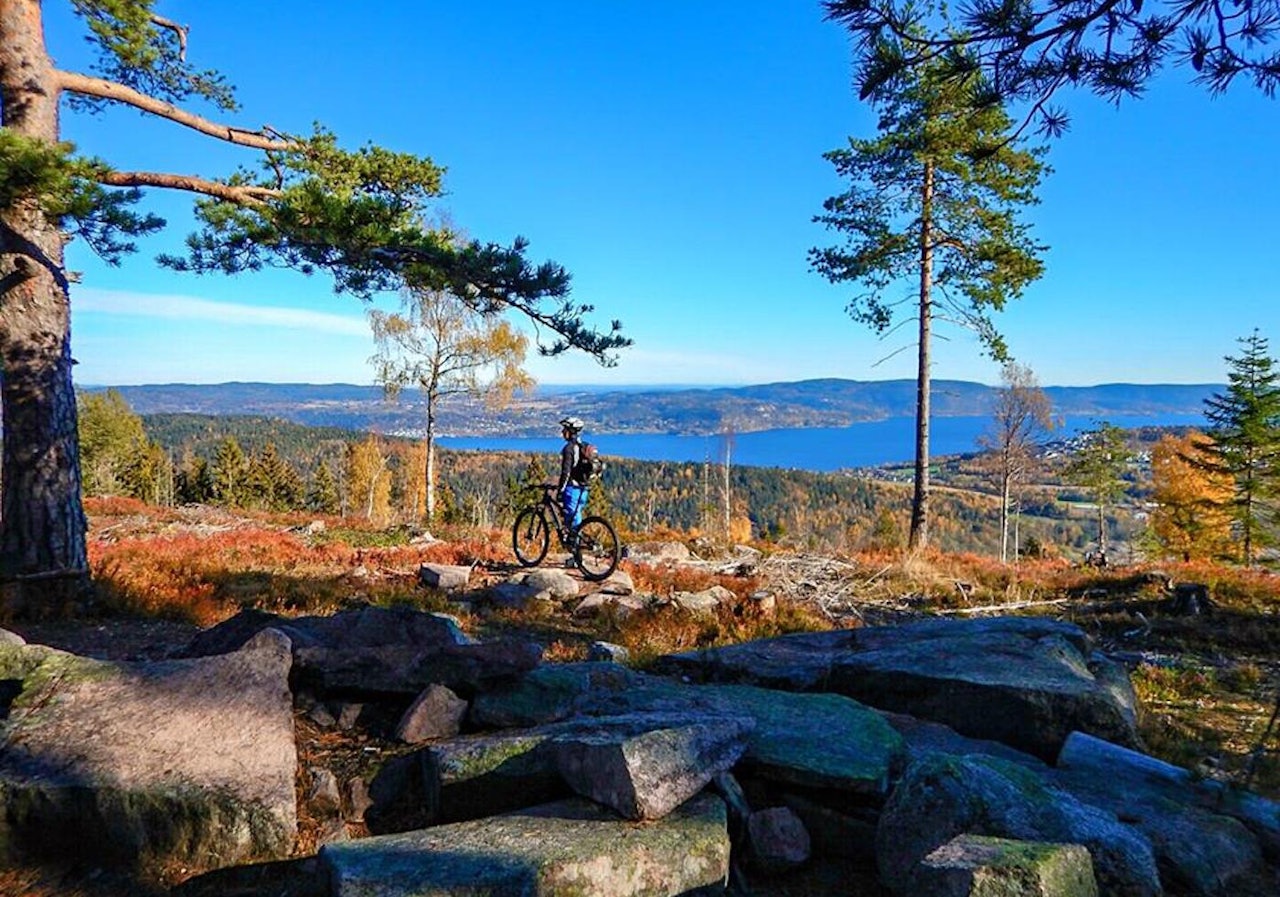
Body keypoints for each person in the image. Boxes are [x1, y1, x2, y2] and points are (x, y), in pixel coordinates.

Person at [555, 415, 589, 538]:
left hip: (572, 488)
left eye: (564, 430)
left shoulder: (569, 448)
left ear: (570, 432)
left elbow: (566, 472)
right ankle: (575, 548)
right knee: (576, 516)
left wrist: (560, 490)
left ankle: (577, 553)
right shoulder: (584, 445)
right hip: (584, 488)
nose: (562, 432)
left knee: (573, 523)